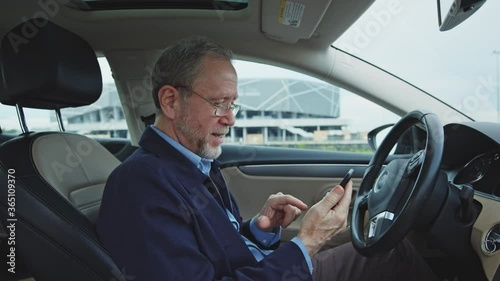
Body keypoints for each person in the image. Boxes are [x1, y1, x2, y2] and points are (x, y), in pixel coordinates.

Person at [96, 36, 439, 281]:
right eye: (219, 103)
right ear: (171, 102)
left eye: (233, 104)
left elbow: (214, 247)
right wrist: (307, 243)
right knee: (394, 255)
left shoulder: (193, 164)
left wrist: (260, 228)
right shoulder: (140, 184)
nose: (230, 118)